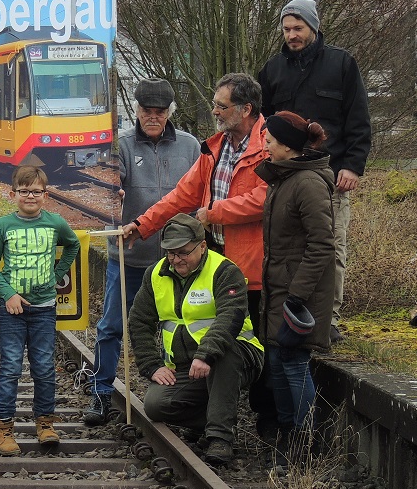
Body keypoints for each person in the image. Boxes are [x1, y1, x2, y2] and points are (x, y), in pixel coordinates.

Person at [124, 72, 278, 441]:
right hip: (216, 261)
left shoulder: (269, 144)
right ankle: (215, 416)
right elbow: (183, 195)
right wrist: (142, 225)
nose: (214, 111)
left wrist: (215, 213)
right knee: (214, 337)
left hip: (252, 267)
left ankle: (267, 427)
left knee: (251, 345)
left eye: (221, 106)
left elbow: (265, 198)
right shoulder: (217, 147)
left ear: (245, 109)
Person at [86, 78, 199, 426]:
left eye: (160, 112)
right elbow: (107, 181)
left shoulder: (191, 146)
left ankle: (183, 396)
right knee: (111, 326)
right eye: (147, 111)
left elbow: (199, 192)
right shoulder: (119, 144)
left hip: (177, 261)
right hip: (130, 257)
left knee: (180, 326)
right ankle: (101, 393)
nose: (153, 117)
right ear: (136, 111)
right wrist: (113, 190)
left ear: (169, 113)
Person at [257, 0, 371, 341]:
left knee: (331, 247)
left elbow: (359, 120)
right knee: (283, 250)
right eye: (286, 29)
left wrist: (352, 166)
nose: (291, 35)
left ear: (314, 28)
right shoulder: (273, 69)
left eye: (298, 28)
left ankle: (328, 320)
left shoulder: (341, 65)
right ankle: (285, 315)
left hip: (331, 178)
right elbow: (261, 124)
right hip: (283, 180)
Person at [127, 214, 264, 466]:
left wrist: (206, 354)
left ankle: (220, 438)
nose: (176, 259)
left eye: (183, 253)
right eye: (170, 253)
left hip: (237, 357)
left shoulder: (225, 271)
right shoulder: (155, 274)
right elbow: (139, 321)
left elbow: (230, 318)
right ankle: (214, 418)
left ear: (202, 246)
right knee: (156, 406)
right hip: (186, 366)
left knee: (226, 353)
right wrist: (151, 365)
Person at [0, 165, 80, 456]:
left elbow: (73, 246)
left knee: (44, 368)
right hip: (12, 311)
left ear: (45, 195)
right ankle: (4, 429)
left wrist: (56, 273)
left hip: (44, 309)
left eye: (36, 191)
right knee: (11, 367)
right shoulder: (3, 225)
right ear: (13, 194)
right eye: (24, 191)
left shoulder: (55, 223)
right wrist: (9, 293)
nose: (30, 196)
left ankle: (45, 424)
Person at [257, 111, 335, 450]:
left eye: (270, 142)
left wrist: (297, 296)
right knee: (277, 361)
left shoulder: (308, 183)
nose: (265, 148)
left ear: (288, 147)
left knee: (292, 363)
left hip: (297, 294)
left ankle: (305, 442)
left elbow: (322, 245)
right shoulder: (285, 178)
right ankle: (288, 437)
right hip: (280, 289)